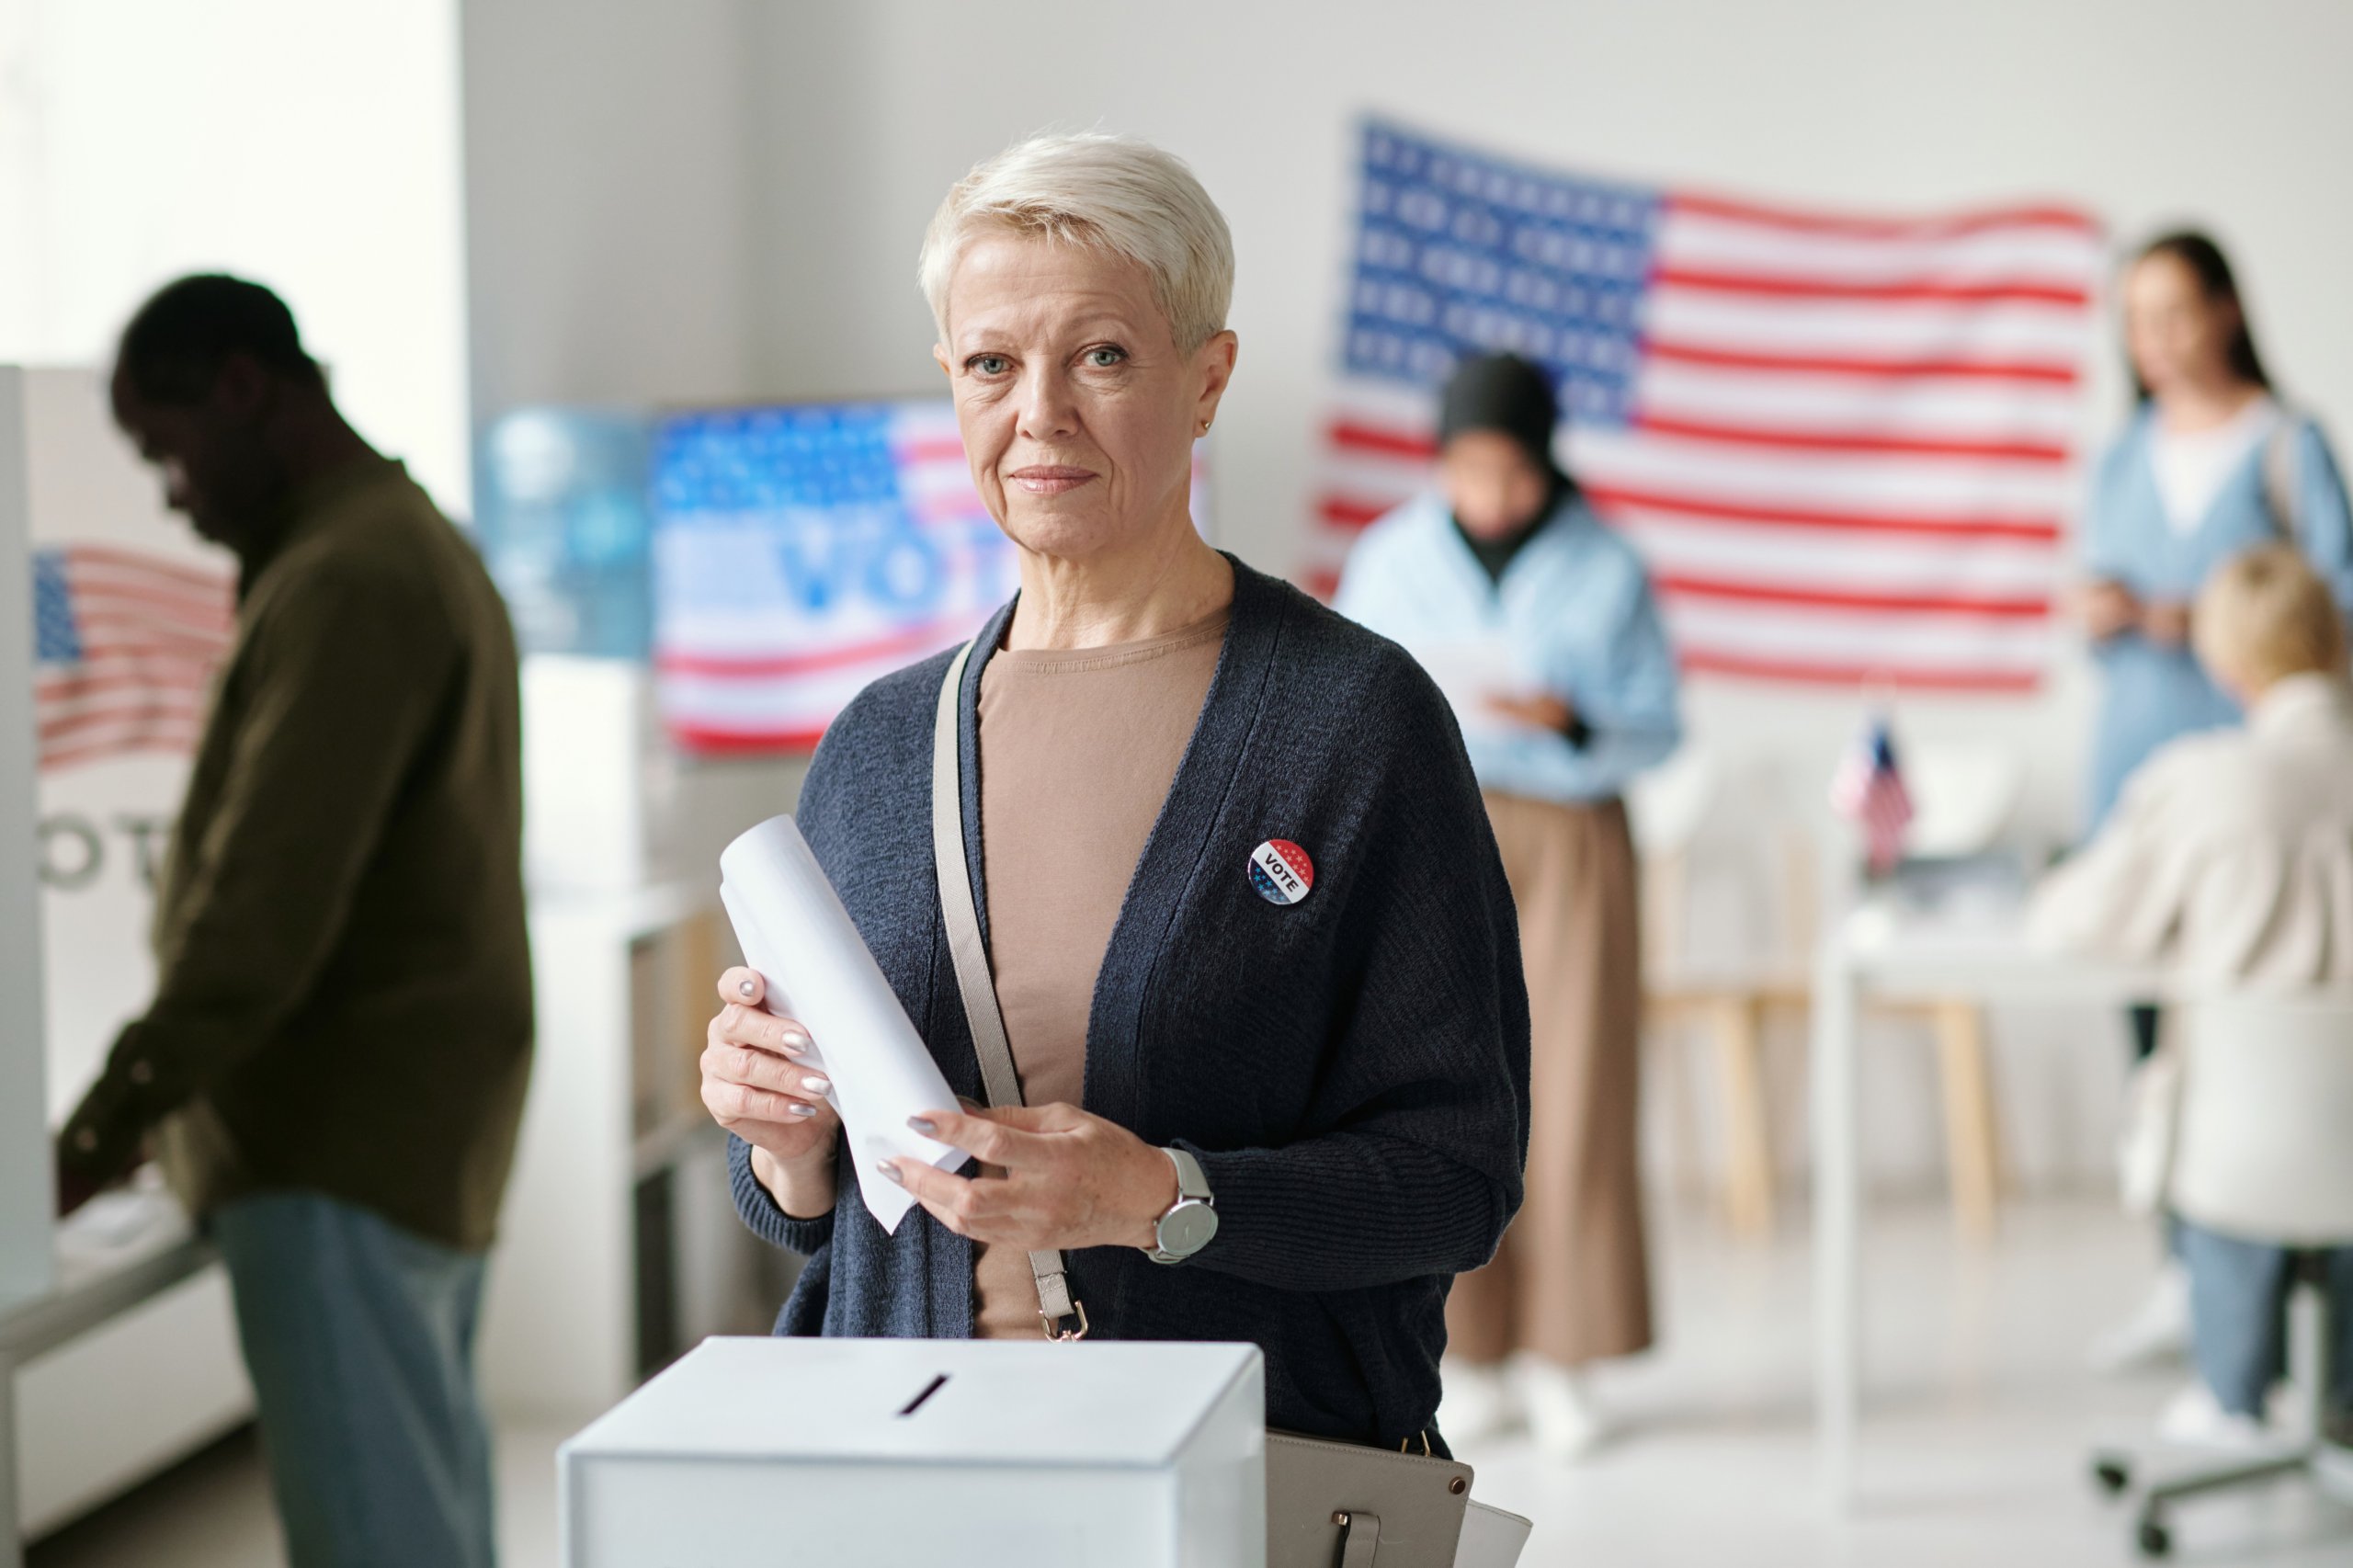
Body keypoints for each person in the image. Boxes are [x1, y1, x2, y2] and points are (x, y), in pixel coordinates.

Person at [698, 131, 1530, 1455]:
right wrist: (778, 1141)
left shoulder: (1357, 723)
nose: (1040, 414)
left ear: (1207, 379)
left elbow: (1458, 1179)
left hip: (1235, 1466)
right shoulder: (874, 744)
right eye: (991, 364)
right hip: (905, 1473)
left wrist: (1157, 1193)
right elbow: (823, 1204)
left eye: (1100, 356)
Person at [53, 275, 532, 1568]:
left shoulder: (346, 576)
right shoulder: (402, 538)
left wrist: (99, 1130)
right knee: (425, 1512)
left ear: (244, 389)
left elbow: (259, 912)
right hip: (409, 1130)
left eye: (163, 446)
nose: (166, 490)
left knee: (380, 1540)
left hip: (336, 1145)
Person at [1335, 352, 1680, 1459]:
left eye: (1510, 468)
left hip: (1572, 839)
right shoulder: (1391, 556)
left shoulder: (1611, 564)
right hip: (1436, 829)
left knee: (1577, 1087)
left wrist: (1571, 718)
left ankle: (1567, 1353)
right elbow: (1344, 698)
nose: (1489, 491)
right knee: (1441, 1083)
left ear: (1545, 460)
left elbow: (1662, 724)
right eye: (1468, 467)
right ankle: (1466, 1349)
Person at [2075, 232, 2353, 1372]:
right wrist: (2108, 619)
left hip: (2270, 799)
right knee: (2160, 1043)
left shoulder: (2288, 447)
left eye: (2178, 311)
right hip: (2141, 786)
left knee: (2278, 1037)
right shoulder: (2122, 454)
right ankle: (2185, 1280)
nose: (2161, 340)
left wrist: (2202, 623)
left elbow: (2326, 610)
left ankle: (2298, 1314)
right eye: (2139, 319)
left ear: (2225, 310)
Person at [2031, 543, 2353, 1449]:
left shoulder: (2201, 779)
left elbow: (2079, 919)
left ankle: (2234, 1392)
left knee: (2220, 1105)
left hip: (2238, 1154)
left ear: (2226, 660)